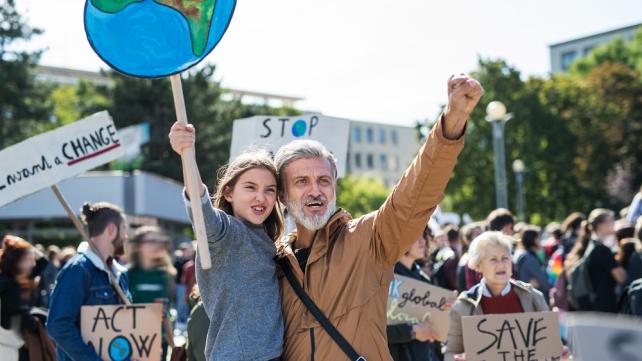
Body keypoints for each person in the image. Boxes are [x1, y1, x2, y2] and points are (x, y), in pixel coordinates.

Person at [272, 74, 481, 360]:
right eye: (301, 182)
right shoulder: (273, 265)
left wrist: (451, 124)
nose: (315, 191)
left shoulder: (368, 239)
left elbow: (416, 195)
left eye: (324, 180)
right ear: (282, 195)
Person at [169, 123, 286, 361]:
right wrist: (186, 154)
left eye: (270, 190)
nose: (261, 197)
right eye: (250, 187)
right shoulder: (226, 231)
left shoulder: (265, 239)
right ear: (230, 193)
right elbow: (200, 207)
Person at [445, 232, 549, 361]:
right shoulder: (463, 307)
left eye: (505, 258)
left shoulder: (534, 297)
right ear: (478, 266)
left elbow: (550, 346)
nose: (501, 264)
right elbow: (450, 352)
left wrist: (561, 354)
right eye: (493, 259)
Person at [47, 202, 131, 361]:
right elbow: (58, 325)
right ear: (112, 230)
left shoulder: (120, 273)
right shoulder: (78, 270)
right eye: (124, 229)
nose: (126, 236)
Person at [387, 227, 454, 361]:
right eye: (415, 236)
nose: (422, 241)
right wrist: (412, 332)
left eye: (424, 236)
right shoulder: (384, 279)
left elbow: (434, 331)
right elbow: (371, 331)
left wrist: (444, 310)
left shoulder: (423, 278)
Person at [127, 226, 177, 361]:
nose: (157, 245)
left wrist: (175, 347)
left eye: (158, 241)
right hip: (133, 343)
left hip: (159, 343)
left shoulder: (165, 275)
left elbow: (164, 313)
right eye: (151, 241)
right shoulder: (127, 275)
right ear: (138, 247)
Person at [564, 208, 626, 312]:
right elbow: (621, 277)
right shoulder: (602, 249)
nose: (614, 224)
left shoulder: (590, 245)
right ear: (601, 225)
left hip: (593, 305)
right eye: (611, 221)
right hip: (604, 306)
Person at [0, 235, 38, 361]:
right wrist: (36, 322)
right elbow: (12, 318)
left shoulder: (6, 281)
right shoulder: (11, 285)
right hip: (9, 348)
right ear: (17, 261)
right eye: (28, 259)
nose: (33, 263)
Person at [513, 227, 552, 298]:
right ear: (534, 240)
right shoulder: (530, 258)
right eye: (539, 238)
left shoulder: (522, 253)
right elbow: (544, 282)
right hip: (533, 298)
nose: (541, 240)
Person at [456, 222, 483, 292]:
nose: (482, 238)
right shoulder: (468, 260)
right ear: (469, 240)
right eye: (478, 235)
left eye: (482, 234)